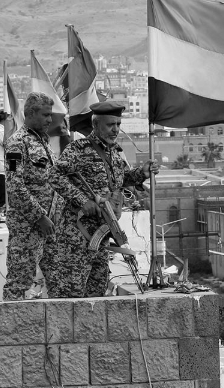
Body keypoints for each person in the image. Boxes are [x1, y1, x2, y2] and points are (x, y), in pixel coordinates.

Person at [41, 100, 157, 298]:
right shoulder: (79, 149)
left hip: (101, 237)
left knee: (96, 294)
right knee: (71, 295)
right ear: (95, 125)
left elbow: (120, 179)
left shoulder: (114, 152)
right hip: (76, 238)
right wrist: (82, 201)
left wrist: (142, 174)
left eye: (118, 124)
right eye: (110, 125)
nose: (115, 130)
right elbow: (54, 175)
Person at [3, 93, 57, 301]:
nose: (50, 119)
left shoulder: (44, 141)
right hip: (28, 226)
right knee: (19, 281)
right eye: (45, 115)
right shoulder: (17, 144)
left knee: (58, 279)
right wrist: (39, 216)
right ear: (31, 113)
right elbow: (14, 186)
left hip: (49, 225)